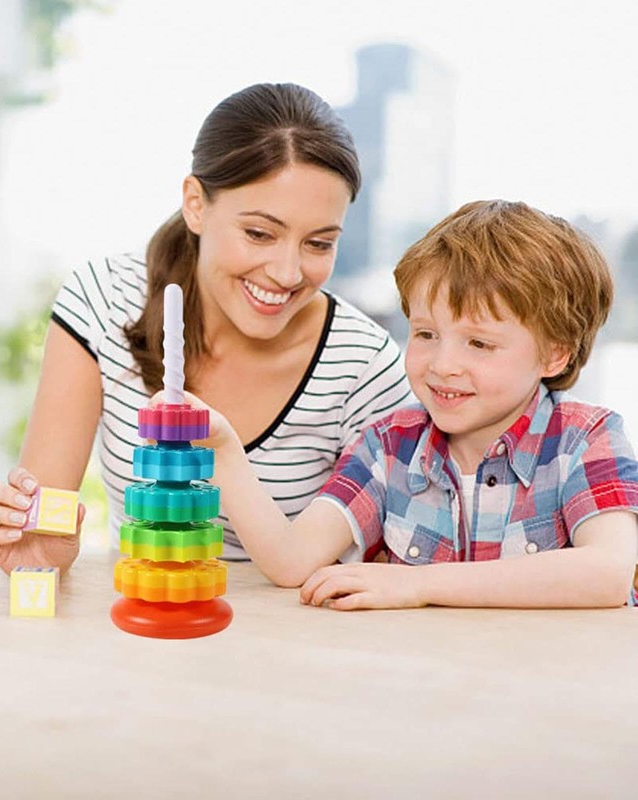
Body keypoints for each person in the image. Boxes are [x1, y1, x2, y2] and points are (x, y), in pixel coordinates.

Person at [0, 82, 412, 573]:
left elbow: (374, 568)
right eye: (259, 233)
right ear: (196, 204)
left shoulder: (364, 364)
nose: (288, 273)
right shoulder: (103, 300)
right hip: (148, 622)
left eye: (318, 243)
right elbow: (43, 519)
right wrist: (41, 551)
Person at [197, 200, 638, 609]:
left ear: (554, 354)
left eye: (479, 343)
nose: (443, 365)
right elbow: (293, 562)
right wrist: (226, 455)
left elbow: (608, 573)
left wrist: (418, 584)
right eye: (426, 334)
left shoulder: (586, 438)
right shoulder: (387, 446)